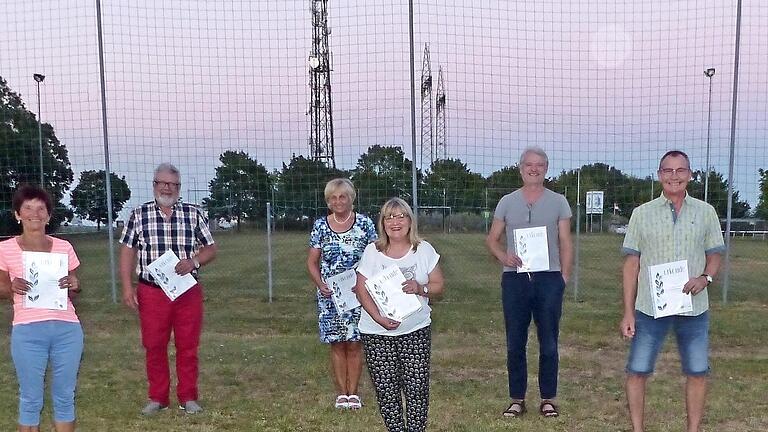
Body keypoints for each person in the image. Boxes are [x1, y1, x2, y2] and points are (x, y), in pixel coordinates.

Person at [620, 150, 724, 432]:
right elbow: (631, 264)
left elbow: (715, 255)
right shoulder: (641, 214)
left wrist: (705, 278)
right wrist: (628, 312)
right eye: (668, 170)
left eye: (680, 170)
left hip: (694, 308)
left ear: (690, 174)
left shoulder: (706, 212)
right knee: (638, 370)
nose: (674, 176)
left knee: (698, 371)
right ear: (659, 175)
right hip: (650, 309)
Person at [119, 163, 217, 415]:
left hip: (187, 290)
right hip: (151, 291)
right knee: (154, 345)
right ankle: (158, 397)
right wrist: (127, 286)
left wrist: (193, 262)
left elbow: (210, 249)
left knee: (188, 345)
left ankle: (188, 397)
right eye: (162, 183)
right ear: (154, 185)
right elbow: (128, 251)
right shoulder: (138, 215)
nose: (167, 188)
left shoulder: (193, 214)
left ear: (179, 187)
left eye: (172, 184)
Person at [485, 146, 573, 418]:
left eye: (540, 165)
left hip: (549, 278)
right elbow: (492, 239)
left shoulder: (559, 202)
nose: (534, 169)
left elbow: (566, 242)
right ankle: (517, 398)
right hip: (515, 279)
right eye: (529, 165)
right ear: (520, 168)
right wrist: (503, 256)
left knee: (548, 341)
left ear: (546, 169)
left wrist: (563, 277)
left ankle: (548, 398)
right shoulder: (507, 202)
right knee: (515, 342)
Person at [355, 197, 445, 432]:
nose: (395, 222)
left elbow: (438, 286)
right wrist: (379, 318)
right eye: (389, 217)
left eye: (401, 216)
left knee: (417, 388)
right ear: (382, 223)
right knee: (386, 389)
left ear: (410, 221)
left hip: (415, 331)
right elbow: (361, 290)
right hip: (376, 333)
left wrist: (420, 288)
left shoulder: (424, 250)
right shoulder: (372, 251)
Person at [0, 185, 83, 432]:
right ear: (17, 214)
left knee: (65, 396)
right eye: (27, 208)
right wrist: (11, 286)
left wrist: (75, 284)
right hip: (27, 331)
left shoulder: (64, 248)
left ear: (48, 215)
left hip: (67, 330)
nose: (34, 214)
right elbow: (1, 288)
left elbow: (73, 287)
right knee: (30, 398)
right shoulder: (4, 249)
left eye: (40, 208)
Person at [307, 178, 377, 409]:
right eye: (333, 198)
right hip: (330, 296)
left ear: (351, 198)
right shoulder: (320, 226)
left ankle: (354, 393)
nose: (338, 201)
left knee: (355, 343)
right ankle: (342, 393)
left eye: (342, 196)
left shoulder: (365, 224)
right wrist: (320, 284)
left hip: (358, 294)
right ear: (328, 201)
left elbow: (376, 257)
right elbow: (312, 262)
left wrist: (365, 284)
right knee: (337, 343)